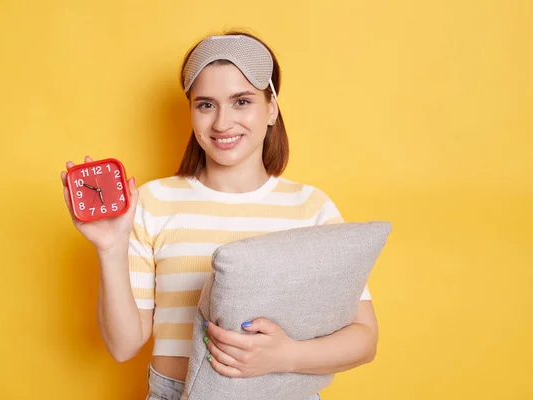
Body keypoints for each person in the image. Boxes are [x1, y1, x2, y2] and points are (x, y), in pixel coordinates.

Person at [61, 30, 378, 400]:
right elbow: (123, 346)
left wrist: (287, 355)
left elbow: (364, 338)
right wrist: (110, 248)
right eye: (206, 104)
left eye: (241, 101)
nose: (223, 123)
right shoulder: (153, 201)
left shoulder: (311, 207)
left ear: (271, 107)